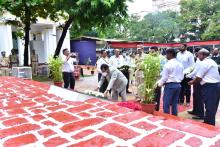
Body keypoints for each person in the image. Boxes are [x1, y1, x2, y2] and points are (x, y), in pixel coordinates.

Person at [188, 49, 220, 126]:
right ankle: (208, 121)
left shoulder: (205, 63)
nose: (197, 56)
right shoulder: (211, 61)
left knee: (210, 106)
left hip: (210, 86)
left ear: (203, 55)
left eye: (198, 55)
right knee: (211, 106)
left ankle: (209, 124)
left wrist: (191, 82)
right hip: (213, 85)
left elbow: (199, 77)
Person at [157, 48, 184, 116]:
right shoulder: (180, 64)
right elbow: (182, 76)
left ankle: (167, 117)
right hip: (178, 85)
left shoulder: (168, 64)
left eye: (166, 54)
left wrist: (159, 84)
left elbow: (165, 78)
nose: (166, 56)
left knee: (166, 103)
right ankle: (174, 117)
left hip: (170, 86)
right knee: (174, 103)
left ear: (170, 54)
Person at [186, 47, 204, 120]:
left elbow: (197, 72)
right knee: (195, 96)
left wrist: (189, 76)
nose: (195, 54)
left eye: (196, 52)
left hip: (198, 81)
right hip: (195, 80)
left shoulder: (201, 61)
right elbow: (195, 70)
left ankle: (201, 114)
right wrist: (188, 75)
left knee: (199, 98)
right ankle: (195, 110)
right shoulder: (197, 60)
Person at [149, 46, 166, 111]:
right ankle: (150, 105)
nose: (151, 53)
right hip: (150, 77)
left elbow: (164, 69)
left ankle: (156, 108)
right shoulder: (150, 57)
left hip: (158, 78)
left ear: (156, 51)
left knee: (157, 92)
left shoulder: (161, 58)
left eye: (152, 51)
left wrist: (158, 74)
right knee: (150, 92)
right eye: (150, 52)